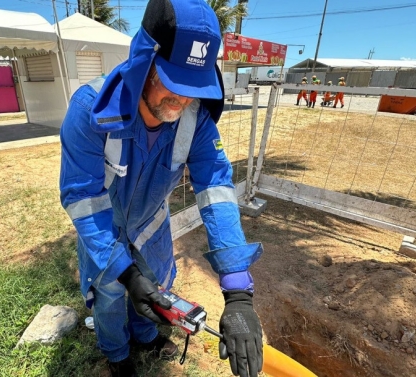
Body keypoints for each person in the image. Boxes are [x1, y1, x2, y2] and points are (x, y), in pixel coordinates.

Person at [59, 1, 264, 376]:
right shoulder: (91, 110)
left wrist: (237, 292)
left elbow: (216, 189)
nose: (183, 99)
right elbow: (83, 198)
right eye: (173, 81)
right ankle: (117, 354)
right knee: (110, 294)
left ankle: (145, 335)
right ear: (144, 62)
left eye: (193, 86)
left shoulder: (196, 121)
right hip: (105, 225)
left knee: (154, 286)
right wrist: (125, 271)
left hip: (152, 223)